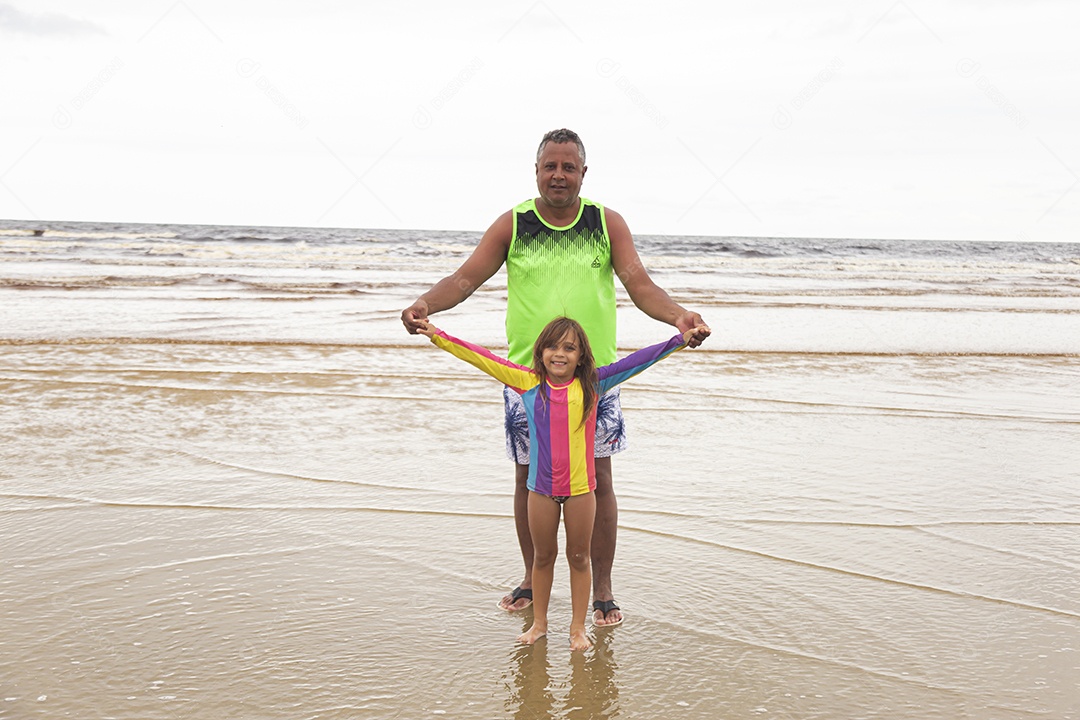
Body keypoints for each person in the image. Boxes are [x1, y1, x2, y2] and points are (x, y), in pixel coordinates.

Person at [401, 128, 709, 627]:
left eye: (569, 167)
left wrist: (678, 316)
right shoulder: (514, 223)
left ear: (584, 173)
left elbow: (640, 284)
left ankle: (602, 588)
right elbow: (464, 280)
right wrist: (425, 306)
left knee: (599, 480)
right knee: (529, 481)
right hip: (527, 378)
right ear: (537, 171)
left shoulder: (607, 224)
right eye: (551, 166)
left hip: (594, 381)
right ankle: (532, 575)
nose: (559, 175)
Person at [416, 316, 711, 649]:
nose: (560, 354)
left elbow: (639, 361)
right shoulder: (526, 382)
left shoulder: (594, 384)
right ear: (540, 351)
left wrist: (679, 340)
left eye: (570, 348)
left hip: (581, 492)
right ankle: (539, 625)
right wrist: (437, 335)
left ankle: (577, 628)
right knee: (542, 557)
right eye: (552, 347)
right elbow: (482, 358)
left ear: (582, 356)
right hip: (540, 491)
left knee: (578, 558)